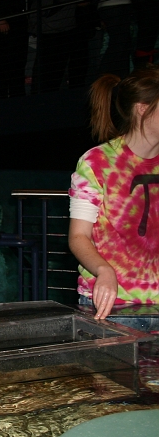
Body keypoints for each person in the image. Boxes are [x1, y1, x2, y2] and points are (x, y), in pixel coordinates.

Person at [68, 66, 159, 332]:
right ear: (143, 108)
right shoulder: (96, 162)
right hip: (112, 306)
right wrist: (104, 271)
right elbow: (79, 236)